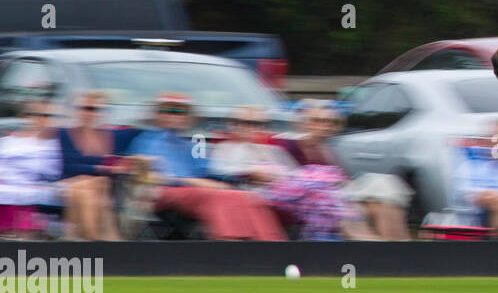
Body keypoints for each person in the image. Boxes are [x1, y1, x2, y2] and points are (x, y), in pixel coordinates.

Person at [124, 92, 286, 240]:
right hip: (159, 192)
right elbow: (150, 174)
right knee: (218, 195)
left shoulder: (190, 145)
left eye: (181, 112)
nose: (175, 116)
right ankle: (227, 242)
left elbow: (210, 169)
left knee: (245, 196)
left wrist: (245, 173)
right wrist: (191, 181)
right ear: (157, 114)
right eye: (168, 111)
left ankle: (271, 243)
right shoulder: (147, 141)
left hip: (193, 192)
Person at [274, 101, 408, 240]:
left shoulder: (327, 150)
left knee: (383, 197)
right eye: (318, 121)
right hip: (315, 199)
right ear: (305, 123)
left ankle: (397, 245)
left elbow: (343, 178)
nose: (325, 126)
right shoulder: (292, 147)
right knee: (380, 189)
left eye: (331, 122)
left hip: (339, 195)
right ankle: (391, 247)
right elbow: (289, 182)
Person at [57, 91, 140, 240]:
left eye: (95, 109)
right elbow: (68, 165)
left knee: (94, 187)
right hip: (71, 182)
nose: (89, 113)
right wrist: (103, 169)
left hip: (101, 186)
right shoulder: (66, 133)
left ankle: (88, 239)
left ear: (103, 112)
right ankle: (99, 239)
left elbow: (141, 130)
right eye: (84, 108)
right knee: (89, 188)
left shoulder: (111, 136)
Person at [0, 100, 64, 238]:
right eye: (36, 114)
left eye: (47, 115)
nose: (42, 119)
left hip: (37, 188)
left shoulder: (54, 144)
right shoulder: (10, 141)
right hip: (12, 188)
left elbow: (51, 172)